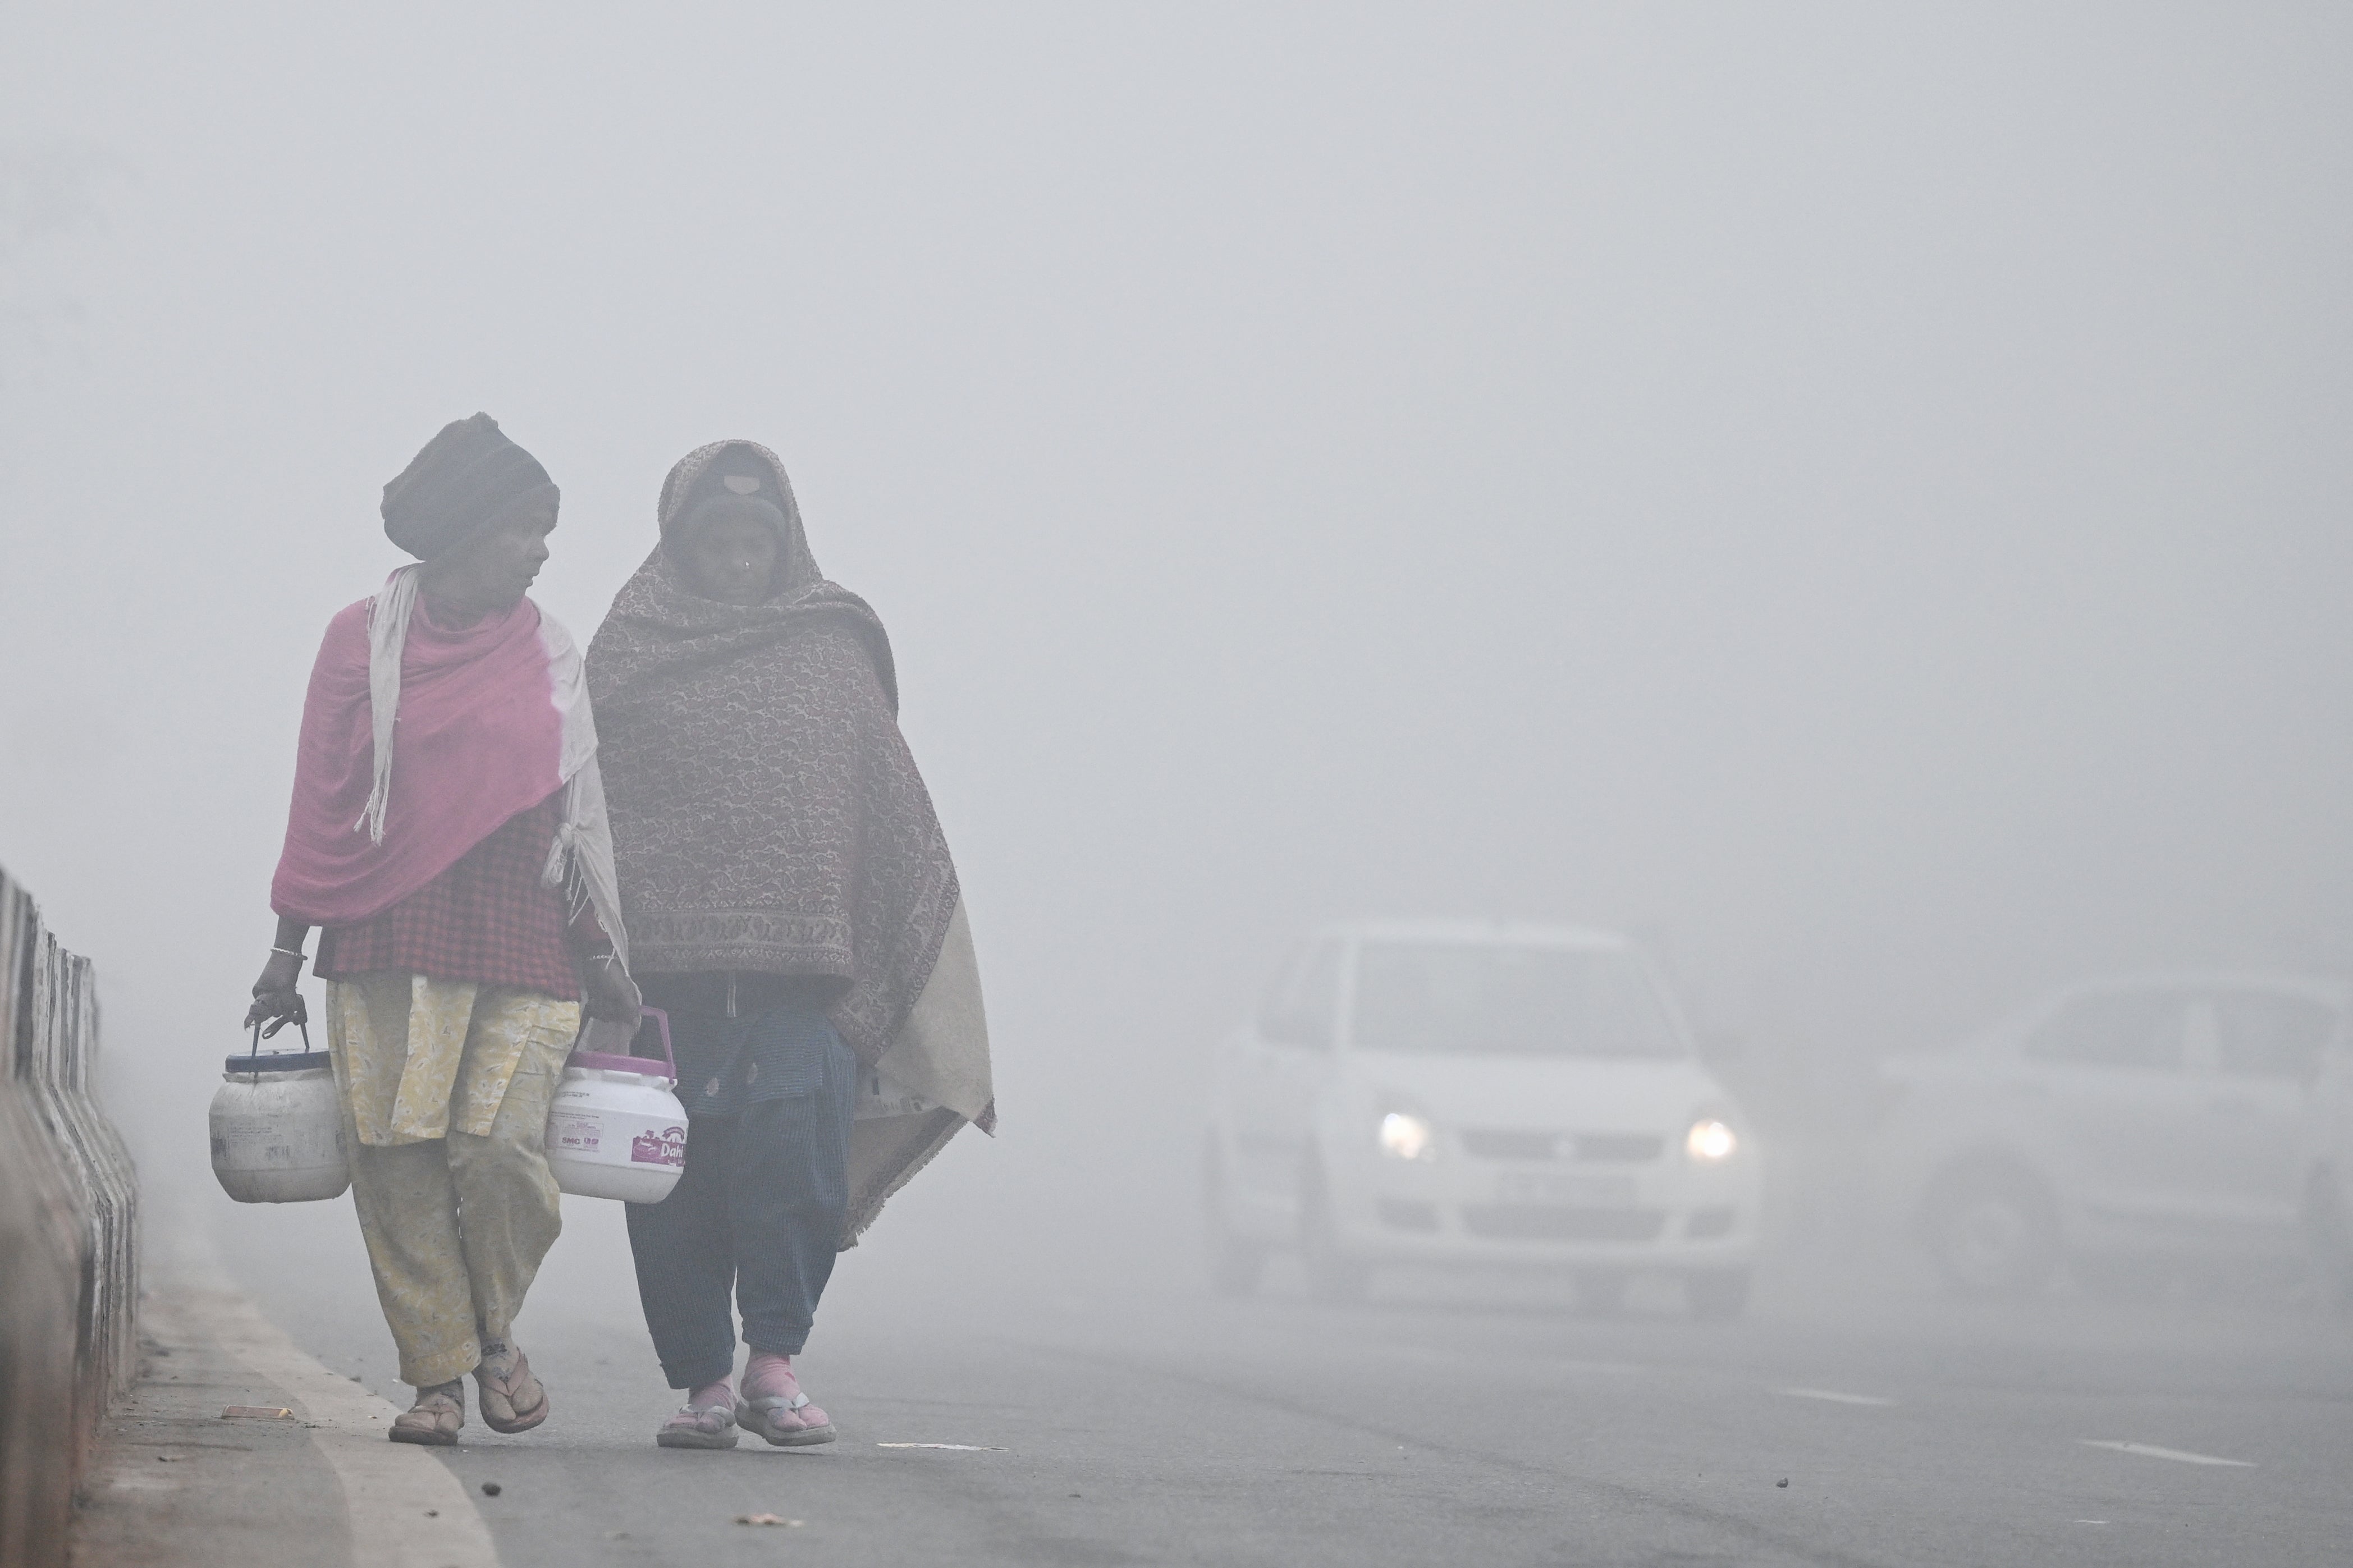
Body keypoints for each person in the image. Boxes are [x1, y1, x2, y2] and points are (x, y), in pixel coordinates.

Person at [587, 439, 993, 1451]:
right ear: (680, 546)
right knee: (672, 1181)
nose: (735, 559)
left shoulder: (830, 644)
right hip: (666, 989)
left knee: (792, 1168)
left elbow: (881, 810)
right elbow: (587, 809)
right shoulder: (629, 653)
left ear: (786, 543)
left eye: (752, 542)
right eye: (715, 540)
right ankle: (701, 1385)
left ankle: (774, 1363)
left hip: (802, 984)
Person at [247, 412, 640, 1447]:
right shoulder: (358, 640)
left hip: (526, 934)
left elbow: (578, 807)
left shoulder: (550, 646)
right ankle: (437, 1378)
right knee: (396, 1155)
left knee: (503, 1151)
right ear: (467, 534)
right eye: (524, 528)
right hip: (385, 929)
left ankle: (494, 1332)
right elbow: (325, 803)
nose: (543, 550)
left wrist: (609, 956)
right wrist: (287, 952)